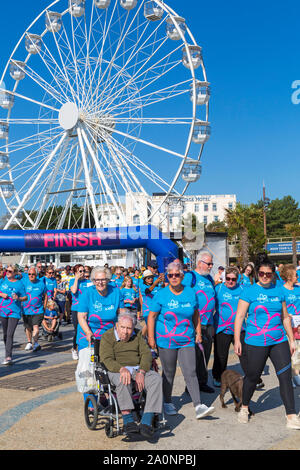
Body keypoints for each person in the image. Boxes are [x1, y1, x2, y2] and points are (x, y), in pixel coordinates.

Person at [234, 254, 300, 429]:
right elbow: (240, 316)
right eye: (261, 273)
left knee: (285, 377)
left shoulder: (279, 290)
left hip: (278, 340)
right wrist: (237, 340)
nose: (264, 276)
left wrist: (291, 339)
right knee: (253, 377)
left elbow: (285, 317)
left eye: (268, 274)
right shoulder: (249, 291)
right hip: (255, 341)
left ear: (273, 274)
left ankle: (291, 415)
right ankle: (245, 407)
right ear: (257, 273)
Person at [147, 261, 215, 420]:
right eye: (170, 275)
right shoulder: (161, 294)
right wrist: (151, 338)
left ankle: (198, 405)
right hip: (166, 340)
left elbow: (196, 313)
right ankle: (167, 402)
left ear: (182, 276)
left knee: (190, 371)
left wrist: (198, 332)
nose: (174, 278)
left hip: (187, 339)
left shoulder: (191, 292)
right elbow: (151, 316)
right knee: (169, 372)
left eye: (177, 275)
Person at [100, 309, 163, 439]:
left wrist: (141, 371)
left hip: (137, 369)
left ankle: (146, 421)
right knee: (123, 379)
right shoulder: (107, 336)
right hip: (116, 370)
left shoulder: (138, 335)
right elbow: (106, 359)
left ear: (133, 327)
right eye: (122, 327)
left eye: (129, 328)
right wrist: (121, 369)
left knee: (156, 379)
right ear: (117, 325)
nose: (125, 331)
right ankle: (128, 420)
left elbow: (146, 354)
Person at [77, 266, 121, 405]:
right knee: (89, 370)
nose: (100, 283)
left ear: (108, 279)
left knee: (109, 367)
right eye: (97, 280)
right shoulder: (87, 293)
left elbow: (121, 314)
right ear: (93, 280)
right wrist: (89, 333)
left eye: (103, 279)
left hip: (109, 337)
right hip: (89, 337)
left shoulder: (116, 292)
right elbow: (81, 317)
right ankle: (91, 403)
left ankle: (110, 396)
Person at [182, 251, 216, 393]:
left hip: (208, 323)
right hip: (194, 323)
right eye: (208, 264)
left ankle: (202, 382)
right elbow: (182, 295)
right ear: (200, 263)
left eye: (211, 264)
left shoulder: (210, 279)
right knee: (193, 356)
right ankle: (190, 386)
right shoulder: (190, 277)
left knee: (205, 354)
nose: (210, 266)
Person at [212, 267, 247, 386]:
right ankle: (218, 377)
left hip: (240, 328)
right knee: (221, 356)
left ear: (237, 279)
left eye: (233, 279)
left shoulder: (243, 289)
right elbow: (209, 306)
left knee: (244, 354)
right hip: (222, 328)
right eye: (228, 278)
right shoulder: (218, 288)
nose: (230, 281)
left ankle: (252, 377)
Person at [0, 265, 27, 365]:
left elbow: (25, 297)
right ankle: (8, 349)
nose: (7, 272)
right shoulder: (2, 281)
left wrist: (18, 298)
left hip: (14, 312)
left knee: (10, 334)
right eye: (6, 271)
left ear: (15, 273)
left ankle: (8, 356)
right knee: (6, 334)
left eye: (10, 271)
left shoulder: (19, 284)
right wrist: (1, 294)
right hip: (3, 310)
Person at [280, 264, 300, 387]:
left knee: (298, 351)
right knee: (290, 352)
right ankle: (291, 376)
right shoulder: (281, 290)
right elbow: (280, 308)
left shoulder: (298, 288)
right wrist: (287, 315)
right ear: (289, 277)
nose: (297, 276)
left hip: (298, 325)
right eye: (295, 275)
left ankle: (296, 373)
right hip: (287, 325)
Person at [22, 266, 47, 352]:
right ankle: (29, 342)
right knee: (28, 327)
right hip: (26, 309)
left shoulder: (41, 283)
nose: (31, 275)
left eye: (33, 274)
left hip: (38, 310)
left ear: (36, 274)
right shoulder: (24, 281)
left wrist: (44, 306)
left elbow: (46, 295)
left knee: (35, 326)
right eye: (29, 274)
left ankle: (35, 343)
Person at [69, 264, 87, 360]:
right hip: (76, 309)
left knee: (86, 329)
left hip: (86, 310)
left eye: (83, 271)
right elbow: (74, 290)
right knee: (77, 330)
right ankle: (74, 349)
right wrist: (76, 279)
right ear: (75, 272)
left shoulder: (87, 282)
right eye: (80, 271)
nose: (82, 273)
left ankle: (85, 348)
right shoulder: (72, 281)